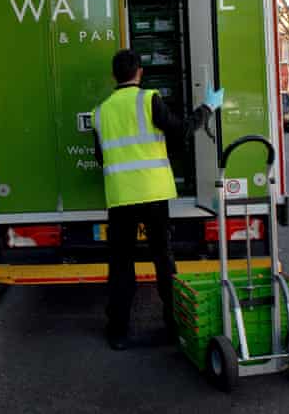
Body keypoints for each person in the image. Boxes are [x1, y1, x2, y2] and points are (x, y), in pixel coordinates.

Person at [93, 48, 223, 350]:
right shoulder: (149, 99)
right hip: (153, 193)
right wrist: (207, 107)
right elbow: (181, 131)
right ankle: (173, 326)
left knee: (122, 264)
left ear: (114, 75)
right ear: (140, 72)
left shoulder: (100, 111)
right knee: (163, 259)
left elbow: (100, 157)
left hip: (121, 196)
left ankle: (119, 333)